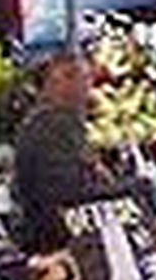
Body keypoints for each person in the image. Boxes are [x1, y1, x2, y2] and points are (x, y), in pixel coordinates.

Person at [14, 52, 103, 253]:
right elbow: (66, 199)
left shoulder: (52, 120)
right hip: (56, 244)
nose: (87, 86)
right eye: (77, 77)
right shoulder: (53, 128)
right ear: (52, 83)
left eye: (88, 78)